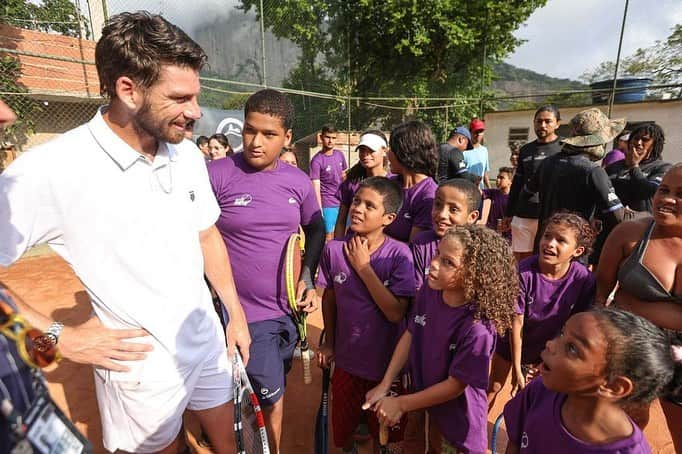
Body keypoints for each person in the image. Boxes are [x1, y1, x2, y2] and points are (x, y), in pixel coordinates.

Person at [0, 12, 251, 454]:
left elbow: (206, 234)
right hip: (139, 369)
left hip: (209, 343)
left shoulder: (187, 153)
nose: (195, 111)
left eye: (196, 95)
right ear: (127, 90)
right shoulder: (49, 170)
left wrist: (233, 310)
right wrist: (61, 338)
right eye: (179, 98)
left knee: (234, 443)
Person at [207, 88, 325, 452]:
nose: (256, 142)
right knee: (268, 401)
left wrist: (307, 279)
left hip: (289, 314)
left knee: (274, 385)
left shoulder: (297, 181)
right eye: (249, 131)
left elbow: (317, 227)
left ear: (287, 137)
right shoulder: (216, 175)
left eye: (269, 134)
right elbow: (194, 237)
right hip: (245, 317)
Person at [364, 225, 517, 453]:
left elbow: (455, 386)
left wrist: (401, 403)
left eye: (448, 262)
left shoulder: (478, 329)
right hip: (423, 403)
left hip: (455, 426)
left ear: (475, 275)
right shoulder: (431, 289)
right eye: (437, 254)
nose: (433, 264)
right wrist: (385, 384)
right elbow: (411, 333)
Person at [316, 176, 415, 453]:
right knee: (344, 434)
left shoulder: (399, 255)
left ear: (388, 218)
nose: (358, 209)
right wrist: (329, 341)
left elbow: (396, 314)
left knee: (385, 437)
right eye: (357, 201)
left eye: (370, 206)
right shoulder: (333, 250)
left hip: (386, 370)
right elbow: (330, 298)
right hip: (347, 365)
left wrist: (364, 268)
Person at [503, 308, 680, 453]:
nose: (551, 343)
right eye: (563, 333)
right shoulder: (540, 391)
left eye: (572, 348)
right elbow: (515, 444)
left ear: (614, 386)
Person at [596, 164, 682, 451]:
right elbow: (601, 294)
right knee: (624, 425)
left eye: (681, 194)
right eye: (664, 189)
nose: (667, 199)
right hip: (632, 347)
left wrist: (634, 305)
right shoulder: (629, 234)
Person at [488, 212, 596, 410]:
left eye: (561, 240)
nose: (550, 244)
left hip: (549, 345)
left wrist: (551, 357)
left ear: (578, 251)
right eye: (547, 236)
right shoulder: (523, 272)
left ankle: (525, 437)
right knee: (494, 385)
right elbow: (516, 323)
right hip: (512, 341)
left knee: (540, 397)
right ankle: (470, 435)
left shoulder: (584, 280)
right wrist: (517, 368)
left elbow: (576, 325)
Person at [526, 108, 625, 263]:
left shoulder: (547, 163)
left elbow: (527, 193)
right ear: (597, 140)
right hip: (572, 254)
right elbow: (617, 216)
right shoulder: (593, 171)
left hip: (544, 246)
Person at [504, 105, 563, 262]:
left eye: (547, 121)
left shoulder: (564, 148)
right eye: (538, 121)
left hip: (551, 215)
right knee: (520, 260)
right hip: (524, 214)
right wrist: (509, 214)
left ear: (557, 123)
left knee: (544, 259)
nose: (542, 125)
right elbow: (517, 184)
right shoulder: (526, 150)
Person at [411, 178, 480, 291]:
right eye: (438, 205)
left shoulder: (478, 249)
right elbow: (416, 290)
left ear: (472, 217)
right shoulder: (421, 243)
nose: (442, 214)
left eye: (453, 209)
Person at [384, 120, 439, 243]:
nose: (387, 153)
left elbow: (413, 249)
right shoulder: (388, 184)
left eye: (392, 148)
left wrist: (373, 236)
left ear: (404, 153)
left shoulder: (428, 196)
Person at [333, 130, 390, 239]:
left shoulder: (394, 183)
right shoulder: (351, 183)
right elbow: (341, 221)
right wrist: (337, 246)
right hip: (352, 245)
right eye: (362, 150)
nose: (365, 154)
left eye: (371, 150)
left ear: (384, 151)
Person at [605, 123, 671, 217]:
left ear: (655, 144)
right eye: (636, 138)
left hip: (642, 224)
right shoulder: (614, 167)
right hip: (611, 224)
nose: (639, 142)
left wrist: (634, 166)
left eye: (645, 139)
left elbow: (647, 191)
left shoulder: (663, 168)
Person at [310, 124, 348, 241]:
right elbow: (315, 186)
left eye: (333, 138)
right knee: (329, 237)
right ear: (321, 138)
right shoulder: (317, 160)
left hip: (342, 203)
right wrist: (319, 210)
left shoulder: (340, 155)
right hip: (328, 205)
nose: (330, 141)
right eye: (328, 137)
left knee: (345, 234)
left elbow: (344, 177)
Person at [483, 167, 513, 242]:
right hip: (492, 233)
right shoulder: (493, 193)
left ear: (510, 181)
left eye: (501, 178)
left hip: (508, 236)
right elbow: (478, 192)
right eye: (497, 177)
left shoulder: (515, 198)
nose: (497, 180)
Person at [463, 118, 491, 189]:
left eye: (481, 131)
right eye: (476, 131)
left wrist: (490, 189)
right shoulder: (463, 150)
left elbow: (484, 173)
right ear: (470, 132)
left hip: (479, 190)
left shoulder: (484, 150)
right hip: (466, 189)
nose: (478, 134)